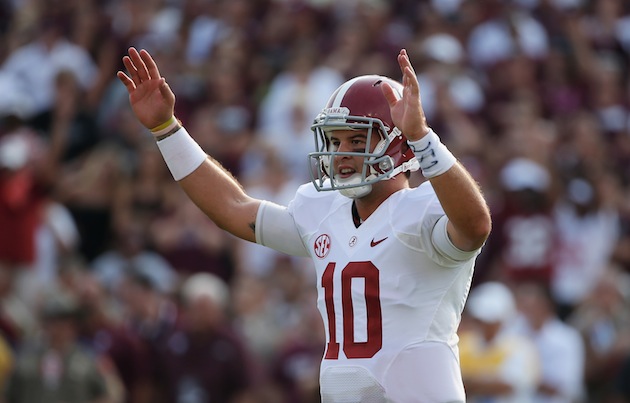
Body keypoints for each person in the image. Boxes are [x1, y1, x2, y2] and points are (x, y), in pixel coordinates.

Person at [118, 46, 492, 402]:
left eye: (356, 140)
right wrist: (167, 129)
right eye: (334, 141)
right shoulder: (323, 210)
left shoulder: (423, 207)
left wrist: (423, 138)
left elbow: (475, 225)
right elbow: (232, 208)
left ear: (399, 144)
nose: (341, 154)